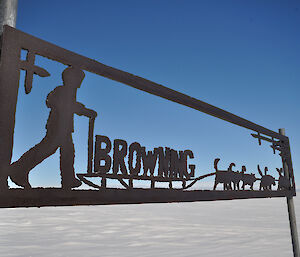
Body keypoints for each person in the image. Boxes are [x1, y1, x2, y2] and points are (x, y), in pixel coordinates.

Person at [10, 67, 97, 189]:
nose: (79, 83)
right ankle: (19, 169)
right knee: (48, 148)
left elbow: (69, 105)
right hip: (57, 126)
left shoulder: (69, 92)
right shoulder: (62, 90)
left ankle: (68, 179)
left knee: (67, 152)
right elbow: (55, 102)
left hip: (64, 128)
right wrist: (83, 110)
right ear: (71, 79)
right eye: (78, 79)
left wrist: (81, 109)